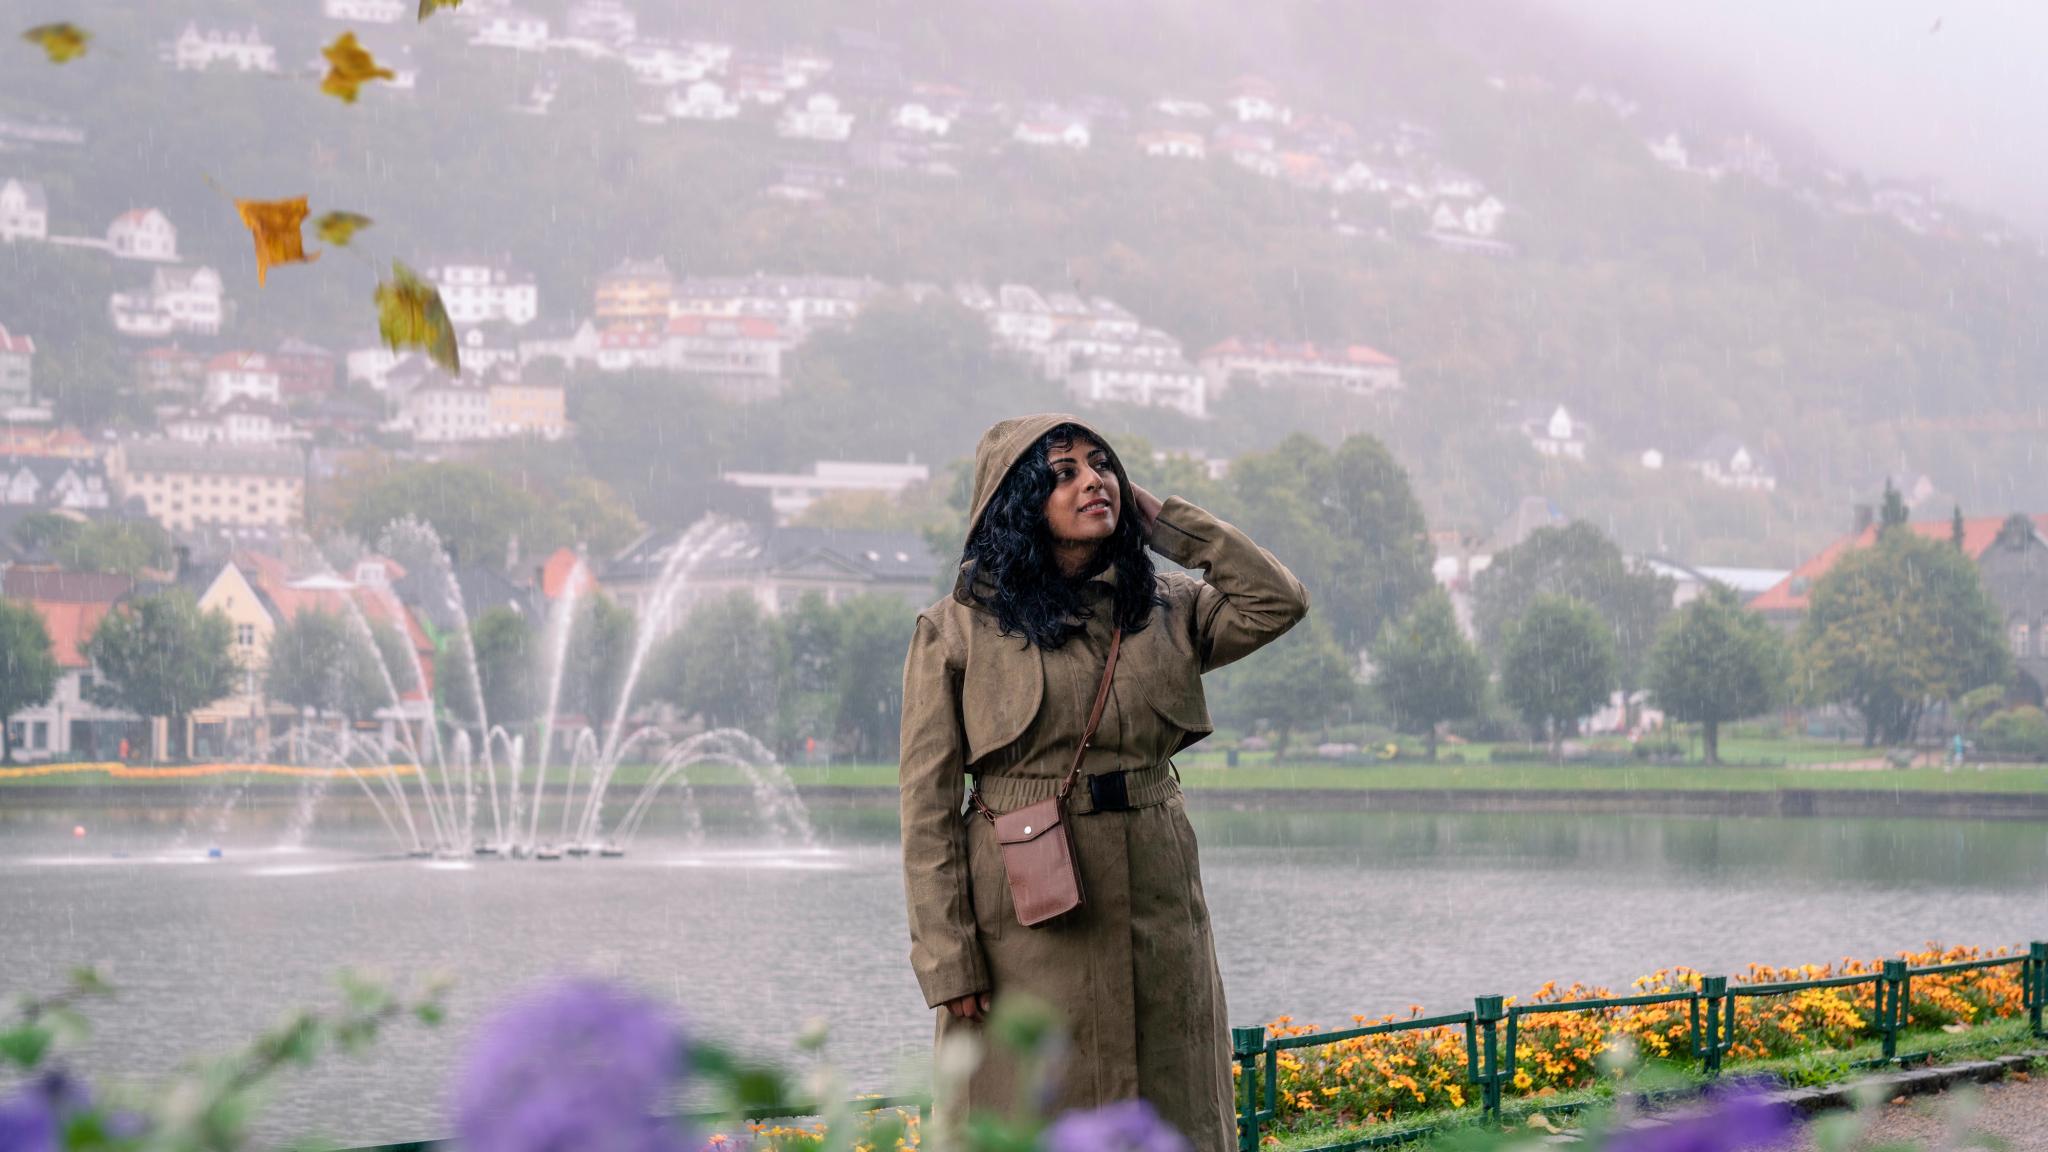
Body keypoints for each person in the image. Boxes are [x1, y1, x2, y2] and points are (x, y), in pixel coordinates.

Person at [899, 413, 1309, 1151]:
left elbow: (1277, 601)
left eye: (1103, 466)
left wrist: (1169, 525)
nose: (1093, 481)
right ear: (1019, 504)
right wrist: (947, 957)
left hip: (1158, 905)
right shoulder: (955, 631)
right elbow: (926, 810)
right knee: (1030, 1111)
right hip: (1023, 926)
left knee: (1173, 1100)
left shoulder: (1167, 608)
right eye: (1063, 473)